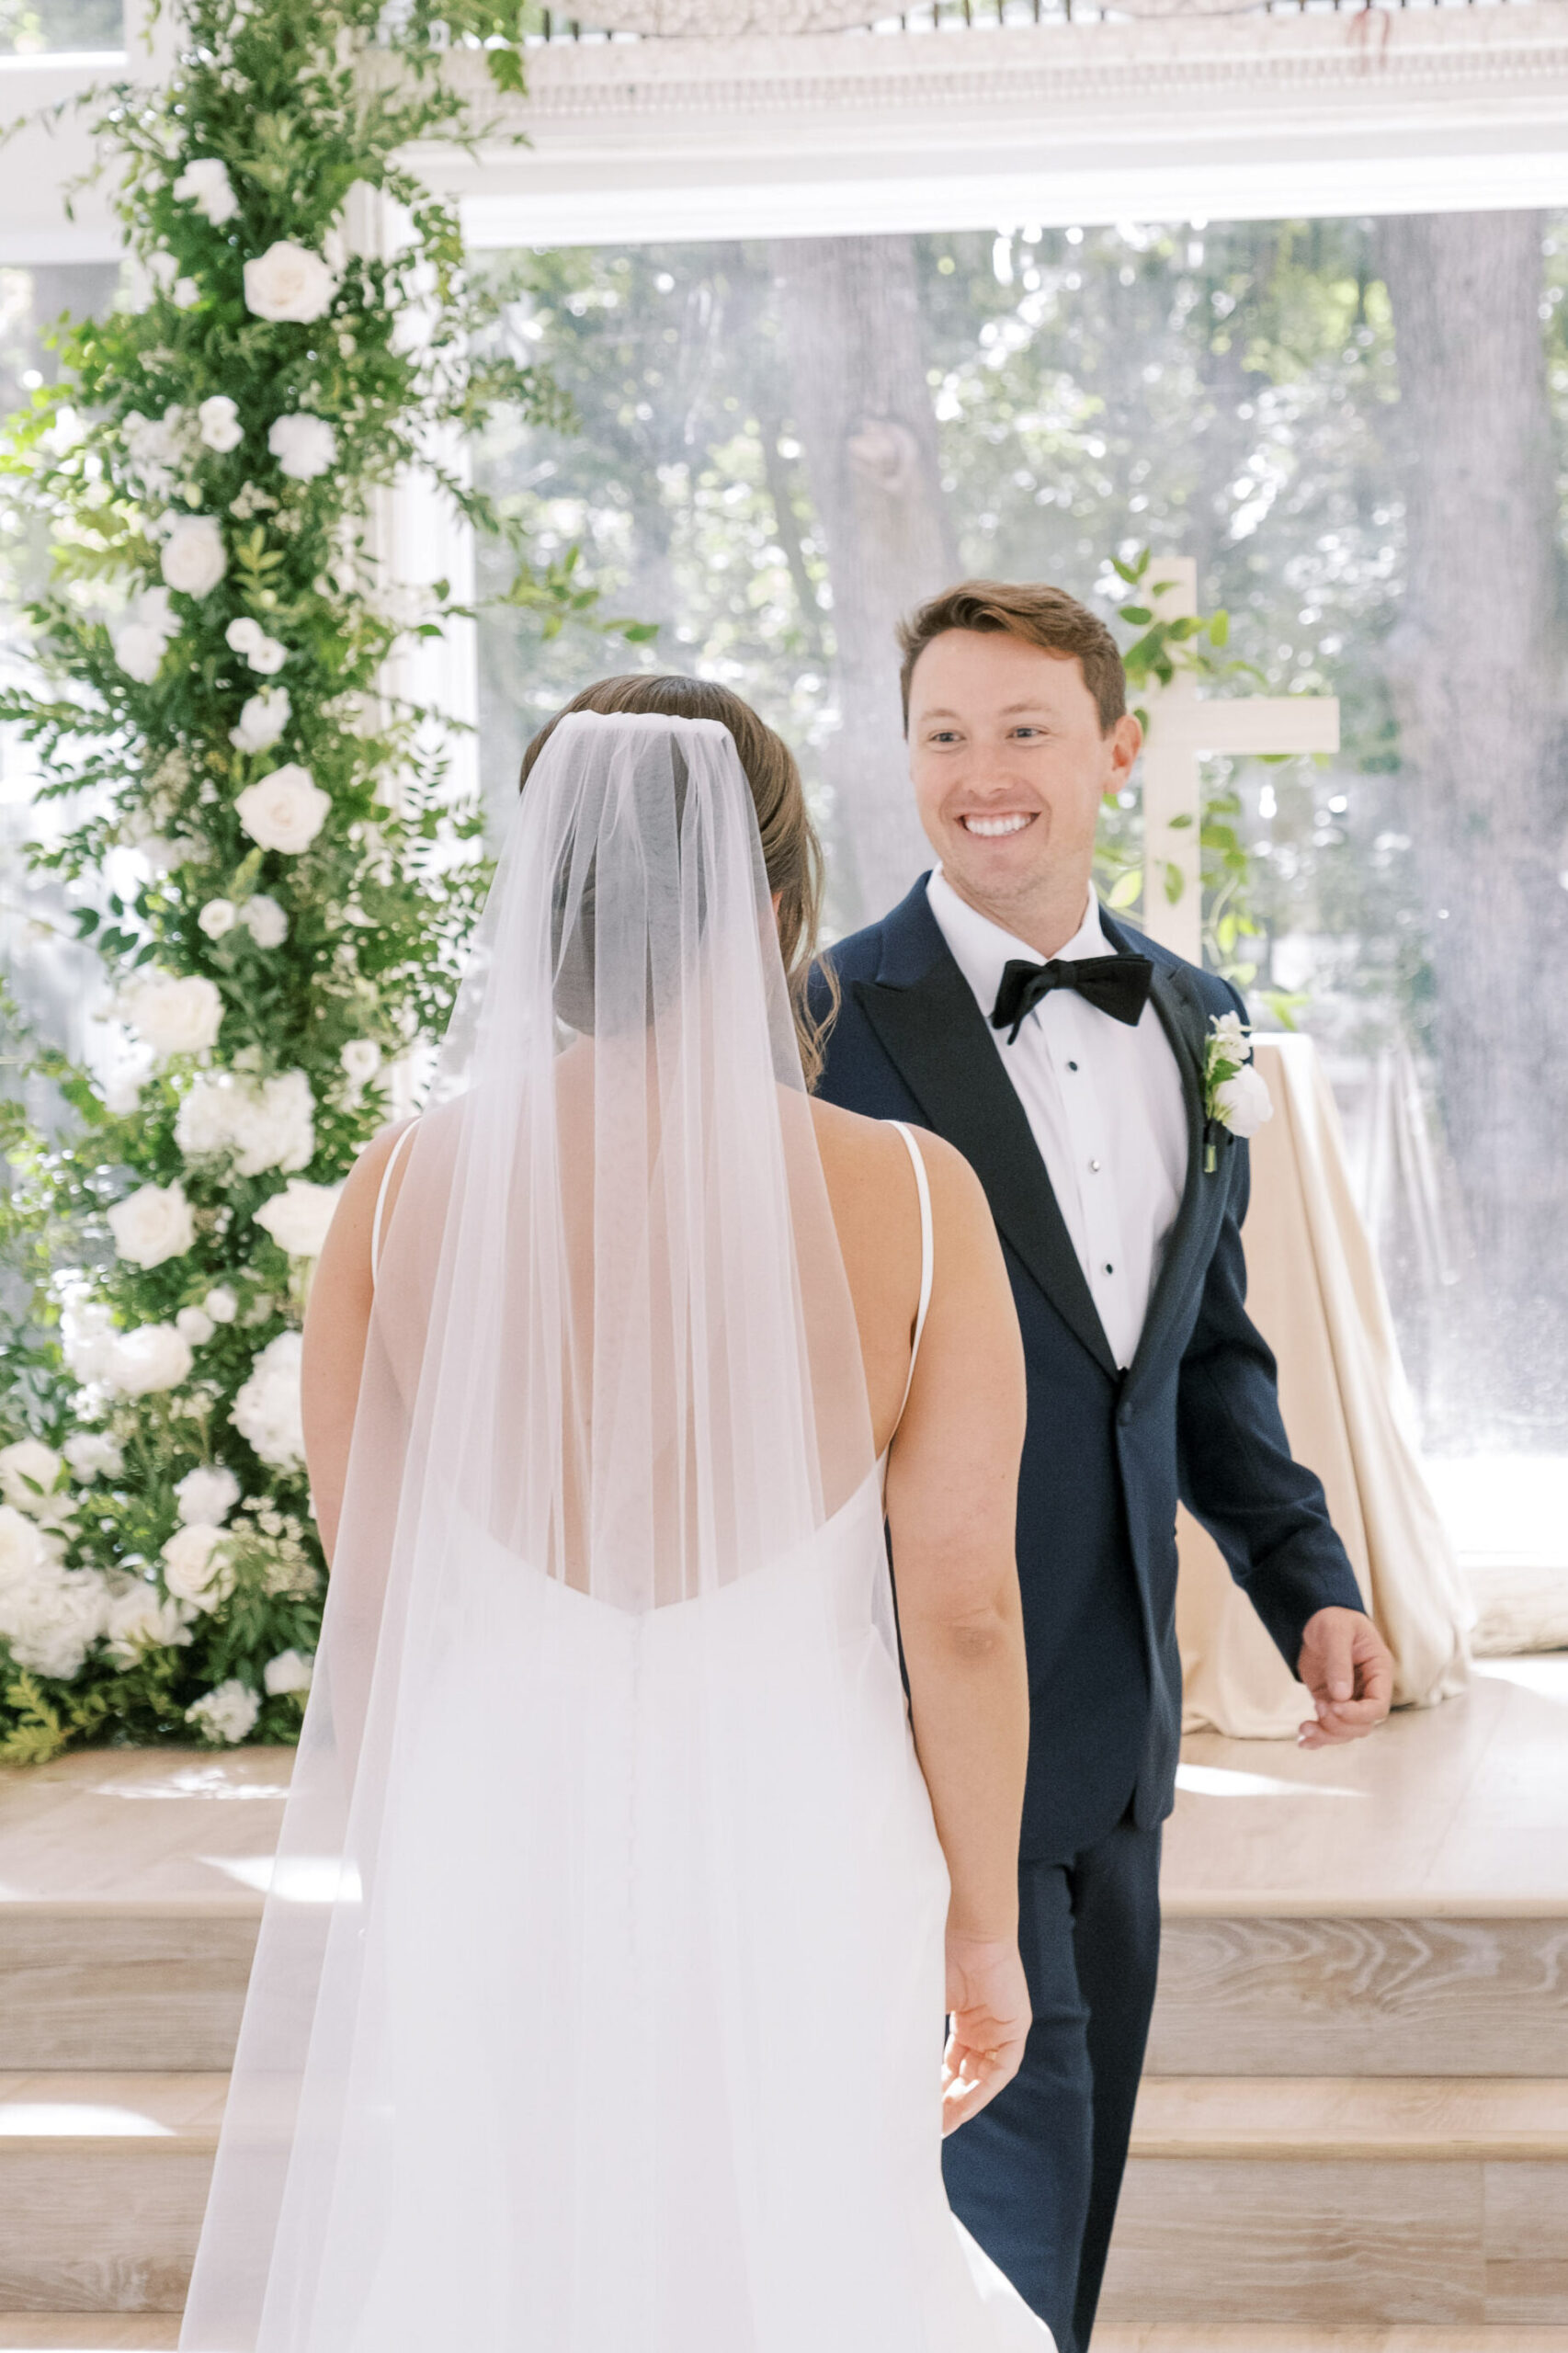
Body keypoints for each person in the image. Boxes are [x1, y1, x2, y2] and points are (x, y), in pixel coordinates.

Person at [177, 677, 1054, 2353]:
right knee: (806, 2259)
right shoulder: (918, 1199)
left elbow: (371, 1606)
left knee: (499, 2260)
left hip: (491, 1815)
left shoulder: (402, 1190)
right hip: (806, 1824)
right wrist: (984, 1924)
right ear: (774, 901)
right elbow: (963, 1616)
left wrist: (418, 1868)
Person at [812, 581, 1395, 2353]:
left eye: (1025, 731)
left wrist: (1308, 1584)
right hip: (905, 1713)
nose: (981, 775)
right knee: (994, 2195)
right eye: (942, 734)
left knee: (1064, 2201)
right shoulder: (818, 1022)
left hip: (1121, 1725)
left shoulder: (1196, 1018)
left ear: (1113, 753)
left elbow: (1203, 1355)